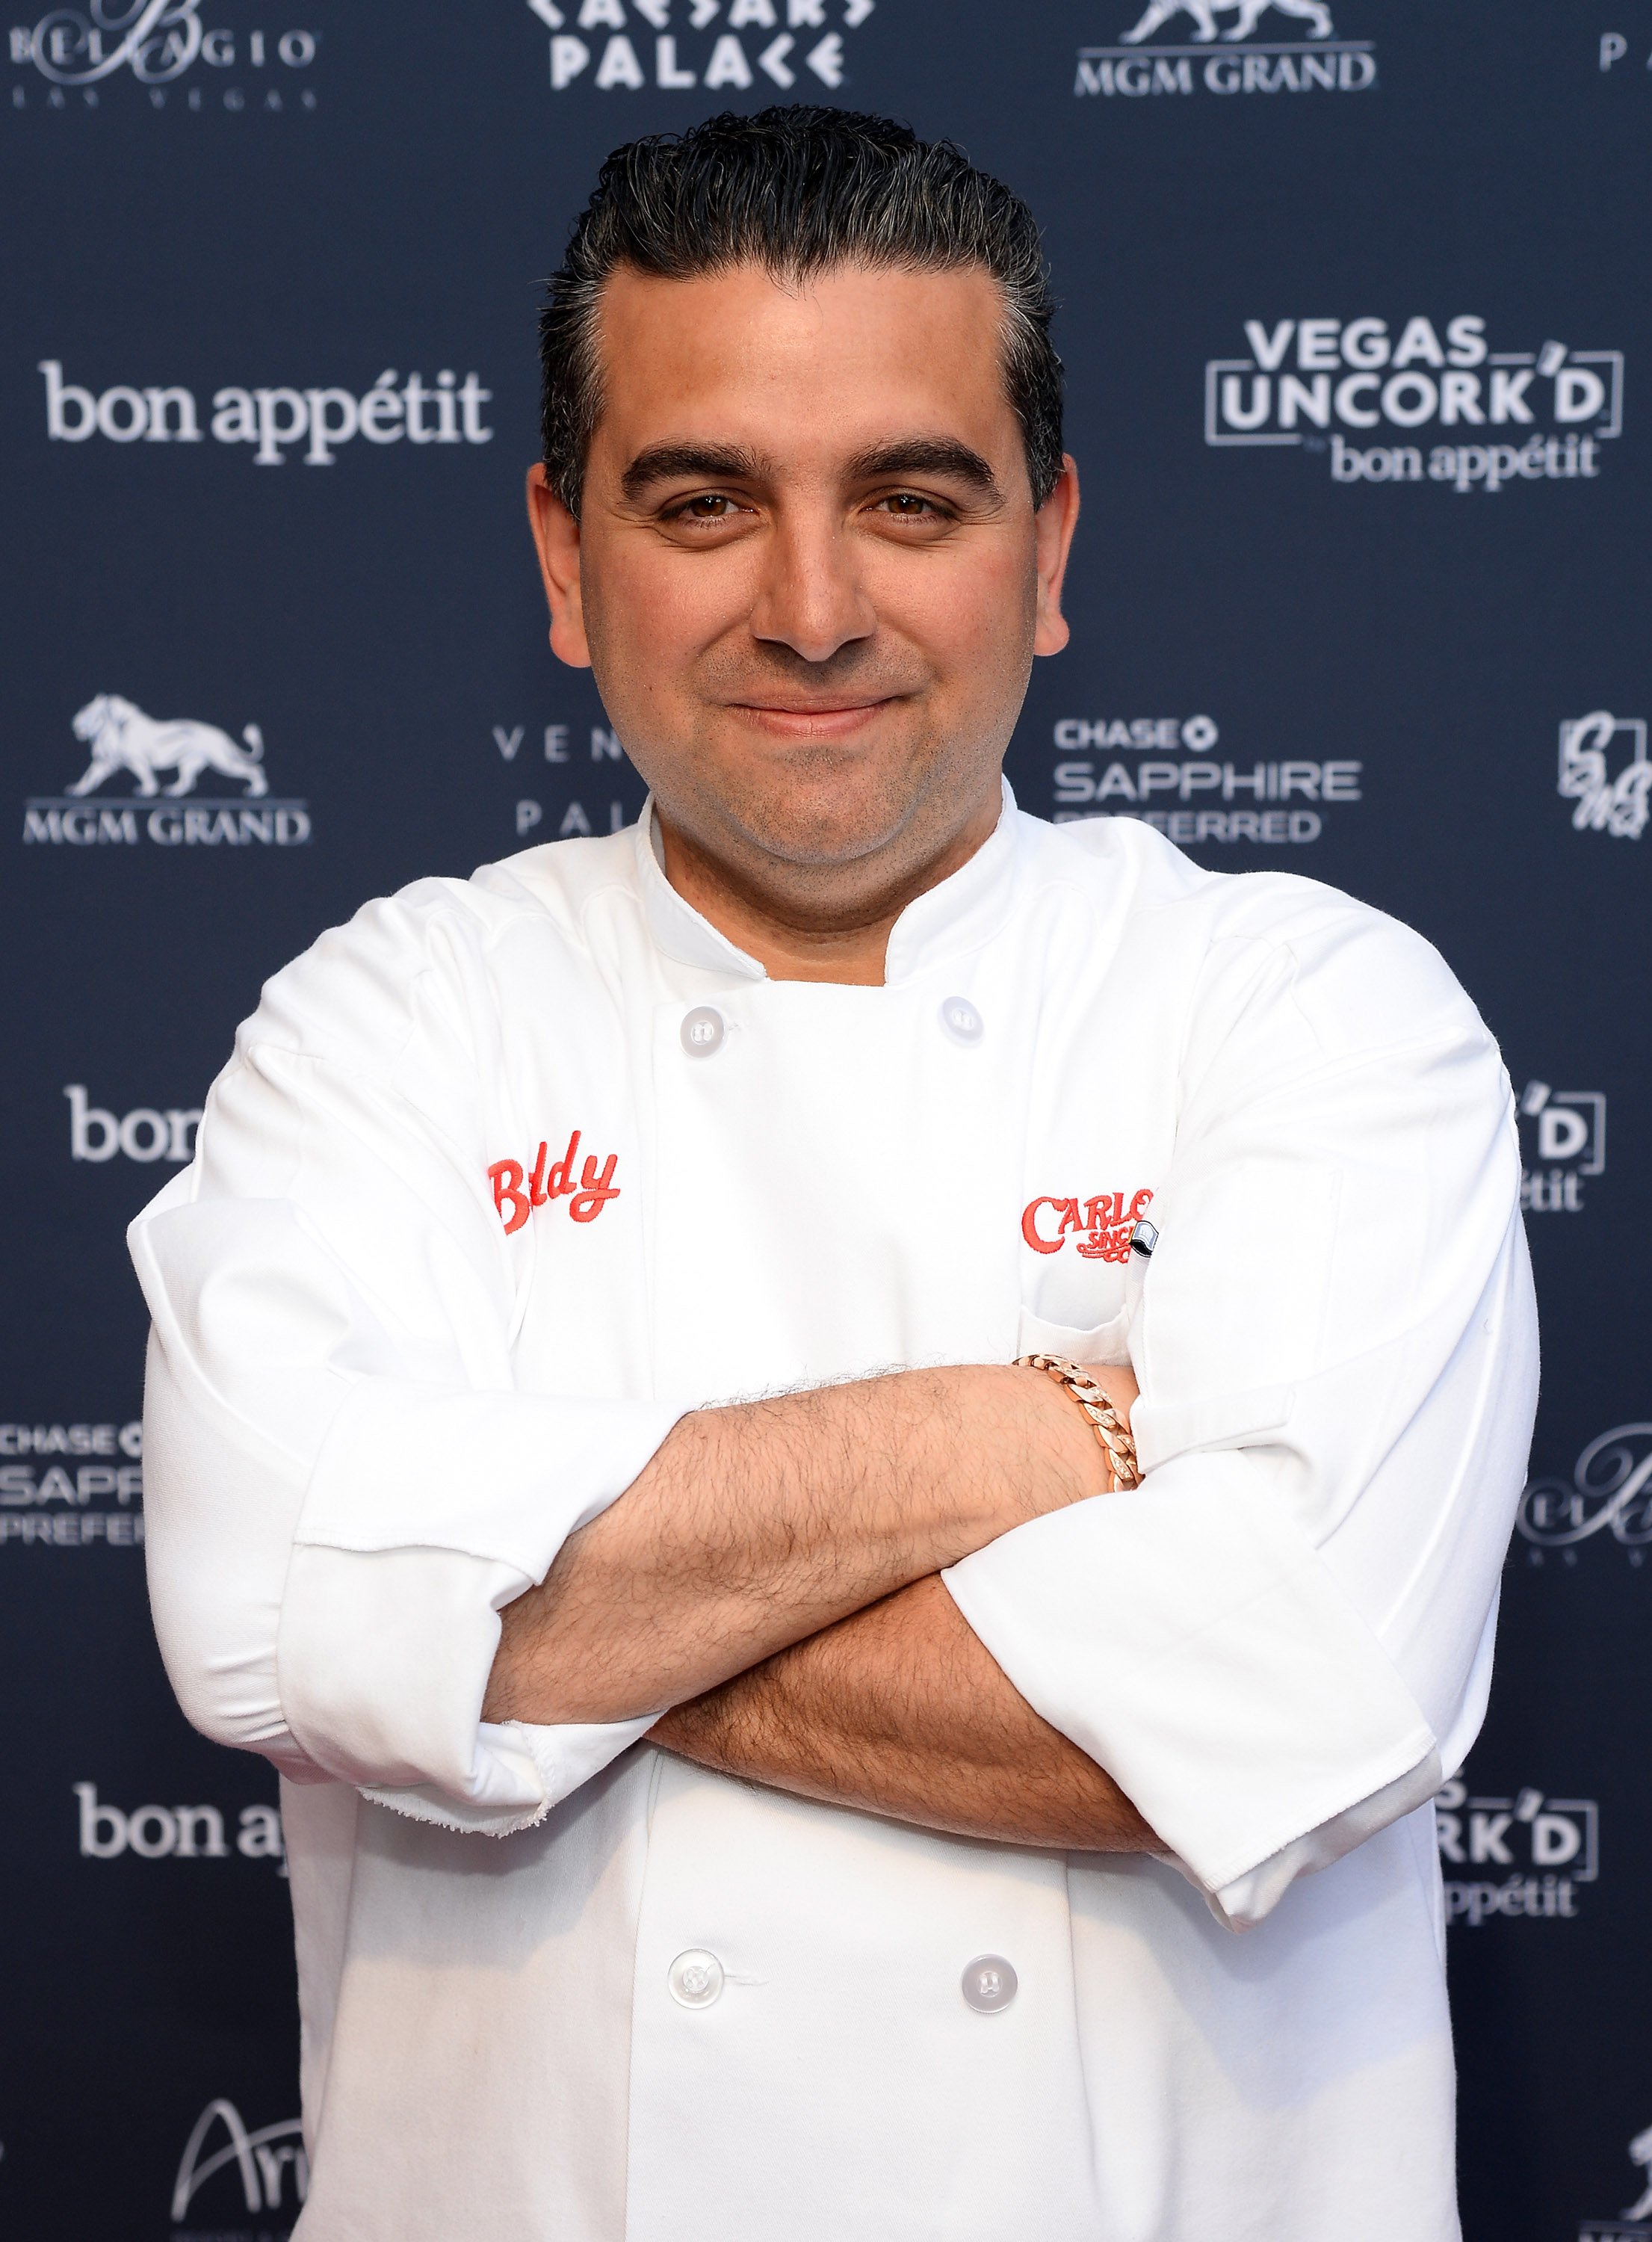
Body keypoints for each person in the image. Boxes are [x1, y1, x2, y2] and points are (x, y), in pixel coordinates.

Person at [130, 105, 1537, 2242]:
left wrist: (484, 1605)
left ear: (1049, 548)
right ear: (561, 554)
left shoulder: (1315, 1010)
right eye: (703, 500)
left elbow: (1299, 1696)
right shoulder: (388, 1020)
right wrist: (1033, 1431)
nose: (811, 607)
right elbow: (259, 1619)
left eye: (908, 497)